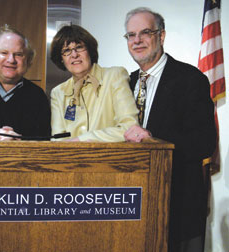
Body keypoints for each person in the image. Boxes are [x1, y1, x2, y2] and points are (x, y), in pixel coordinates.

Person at [123, 7, 216, 252]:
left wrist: (155, 141)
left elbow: (204, 142)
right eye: (131, 35)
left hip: (178, 207)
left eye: (145, 33)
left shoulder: (191, 79)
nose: (137, 40)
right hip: (132, 207)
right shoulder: (125, 83)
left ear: (161, 36)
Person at [50, 24, 143, 142]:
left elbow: (130, 128)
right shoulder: (58, 93)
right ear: (61, 59)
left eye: (79, 47)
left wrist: (80, 140)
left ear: (90, 50)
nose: (74, 55)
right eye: (67, 51)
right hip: (72, 160)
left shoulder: (115, 76)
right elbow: (58, 141)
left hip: (111, 159)